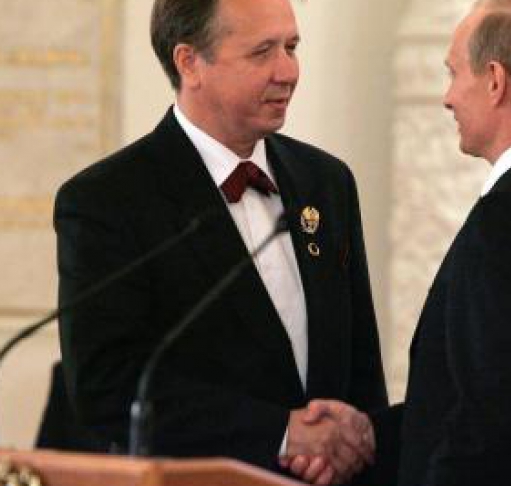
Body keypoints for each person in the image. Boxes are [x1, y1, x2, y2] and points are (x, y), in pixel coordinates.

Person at [300, 0, 511, 485]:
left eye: (454, 73)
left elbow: (495, 429)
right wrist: (372, 433)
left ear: (496, 81)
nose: (447, 98)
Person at [52, 0, 387, 482]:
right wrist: (280, 433)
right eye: (262, 52)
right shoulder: (107, 200)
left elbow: (361, 368)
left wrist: (358, 443)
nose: (288, 72)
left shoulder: (326, 181)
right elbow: (106, 387)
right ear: (190, 62)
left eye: (291, 47)